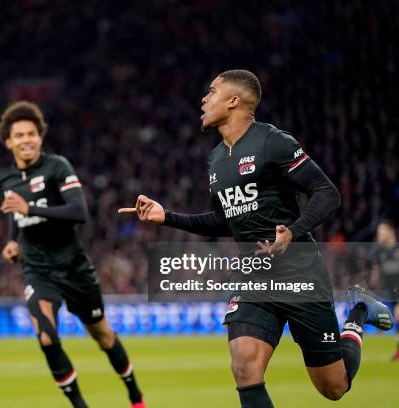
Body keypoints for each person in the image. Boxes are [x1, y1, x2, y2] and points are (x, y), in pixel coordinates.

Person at [118, 69, 393, 407]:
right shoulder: (217, 158)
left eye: (211, 91)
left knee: (333, 387)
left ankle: (359, 310)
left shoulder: (272, 141)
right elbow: (226, 221)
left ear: (234, 100)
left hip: (299, 272)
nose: (203, 99)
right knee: (245, 365)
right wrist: (167, 217)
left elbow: (326, 192)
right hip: (254, 274)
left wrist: (293, 230)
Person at [0, 101, 145, 408]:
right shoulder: (4, 180)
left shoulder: (57, 167)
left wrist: (30, 208)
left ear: (40, 137)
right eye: (19, 135)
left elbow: (79, 212)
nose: (26, 140)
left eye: (31, 134)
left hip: (74, 267)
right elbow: (15, 215)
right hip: (37, 269)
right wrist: (13, 242)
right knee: (46, 338)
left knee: (103, 336)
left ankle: (135, 395)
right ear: (8, 141)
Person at [369, 219, 399, 360]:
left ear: (390, 232)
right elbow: (375, 277)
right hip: (391, 291)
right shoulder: (379, 252)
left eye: (381, 232)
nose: (379, 235)